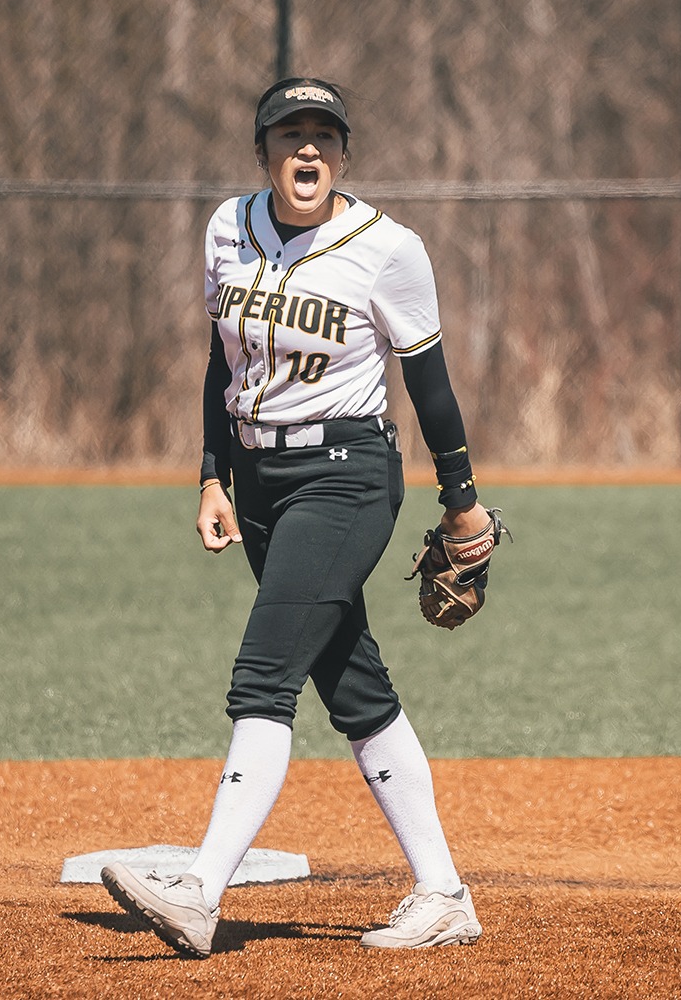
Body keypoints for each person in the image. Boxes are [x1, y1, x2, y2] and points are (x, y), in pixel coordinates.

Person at [101, 77, 492, 958]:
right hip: (260, 481)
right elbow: (221, 359)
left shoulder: (387, 248)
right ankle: (443, 893)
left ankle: (200, 889)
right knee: (352, 687)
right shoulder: (226, 229)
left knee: (263, 675)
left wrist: (460, 500)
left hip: (348, 476)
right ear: (264, 152)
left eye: (324, 135)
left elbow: (429, 387)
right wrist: (211, 476)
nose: (307, 149)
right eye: (289, 134)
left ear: (344, 154)